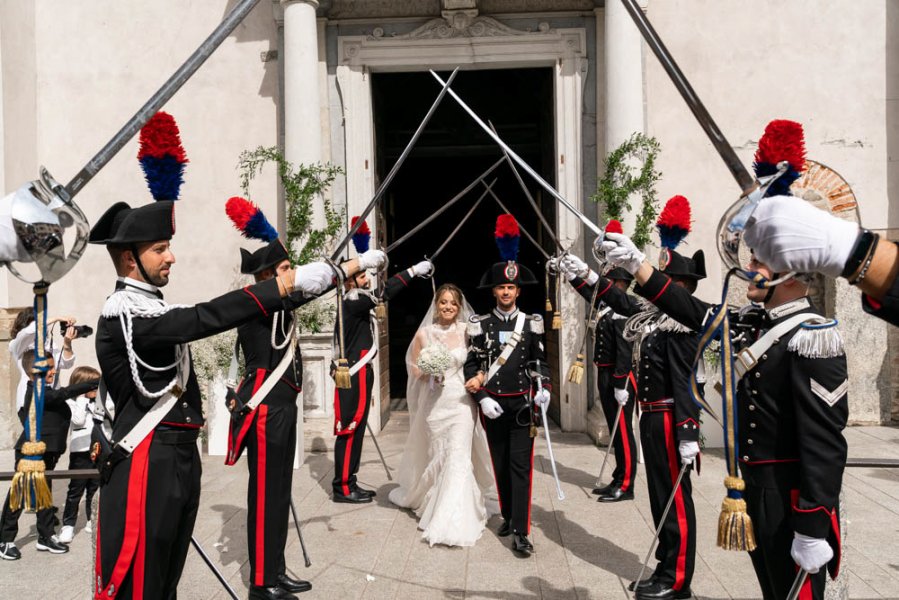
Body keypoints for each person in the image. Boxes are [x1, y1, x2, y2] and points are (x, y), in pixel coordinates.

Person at [88, 197, 340, 599]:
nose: (171, 257)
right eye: (159, 249)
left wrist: (336, 273)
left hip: (177, 458)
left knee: (165, 579)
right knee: (141, 584)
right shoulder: (125, 314)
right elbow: (203, 318)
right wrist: (286, 283)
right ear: (128, 258)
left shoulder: (149, 308)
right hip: (147, 459)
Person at [563, 196, 702, 600]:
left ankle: (677, 580)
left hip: (672, 418)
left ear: (681, 289)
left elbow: (687, 380)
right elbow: (619, 300)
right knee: (661, 499)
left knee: (675, 503)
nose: (654, 287)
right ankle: (665, 567)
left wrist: (689, 430)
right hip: (652, 416)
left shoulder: (682, 323)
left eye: (665, 282)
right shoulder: (656, 317)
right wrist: (585, 277)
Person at [463, 215, 549, 556]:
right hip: (494, 404)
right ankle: (509, 515)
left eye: (511, 288)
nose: (506, 292)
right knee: (499, 464)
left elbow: (539, 360)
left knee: (520, 466)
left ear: (518, 290)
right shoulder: (479, 325)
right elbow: (472, 364)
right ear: (494, 290)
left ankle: (522, 531)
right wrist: (482, 397)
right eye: (501, 287)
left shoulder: (532, 323)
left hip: (522, 405)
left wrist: (545, 389)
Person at [388, 283, 499, 546]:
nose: (448, 307)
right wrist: (429, 368)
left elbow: (482, 359)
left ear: (459, 307)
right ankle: (432, 499)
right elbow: (414, 370)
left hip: (461, 402)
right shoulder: (424, 335)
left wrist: (481, 378)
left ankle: (455, 517)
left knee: (458, 454)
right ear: (436, 305)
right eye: (443, 302)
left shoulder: (467, 331)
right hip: (435, 404)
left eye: (453, 303)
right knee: (438, 453)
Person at [331, 217, 431, 504]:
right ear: (351, 279)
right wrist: (413, 271)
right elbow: (385, 294)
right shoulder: (352, 300)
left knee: (358, 427)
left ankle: (349, 480)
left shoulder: (354, 298)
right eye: (363, 276)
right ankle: (343, 487)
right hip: (354, 373)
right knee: (350, 428)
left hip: (359, 372)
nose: (368, 280)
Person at [560, 230, 638, 502]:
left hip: (621, 379)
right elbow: (589, 294)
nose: (606, 287)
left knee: (624, 431)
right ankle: (619, 476)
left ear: (621, 284)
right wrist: (571, 275)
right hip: (605, 373)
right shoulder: (608, 305)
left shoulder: (627, 309)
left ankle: (627, 484)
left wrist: (620, 382)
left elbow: (626, 351)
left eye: (611, 282)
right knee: (617, 432)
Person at [0, 351, 99, 560]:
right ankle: (5, 540)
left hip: (47, 454)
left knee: (44, 496)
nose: (53, 371)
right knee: (19, 496)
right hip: (30, 454)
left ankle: (45, 536)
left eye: (53, 367)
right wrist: (93, 382)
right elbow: (62, 394)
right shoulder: (36, 391)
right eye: (48, 368)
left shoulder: (44, 390)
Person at [744, 195, 899, 325]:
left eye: (758, 262)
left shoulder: (811, 339)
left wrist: (845, 244)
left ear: (788, 275)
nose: (748, 267)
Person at [58, 365, 103, 544]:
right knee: (76, 490)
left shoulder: (98, 401)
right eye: (92, 385)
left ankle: (92, 519)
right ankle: (68, 524)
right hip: (80, 452)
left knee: (94, 486)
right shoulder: (71, 403)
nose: (95, 389)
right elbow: (78, 420)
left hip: (97, 450)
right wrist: (82, 399)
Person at [9, 310, 79, 413]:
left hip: (52, 395)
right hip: (30, 397)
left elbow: (66, 363)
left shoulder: (47, 344)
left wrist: (67, 343)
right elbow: (28, 331)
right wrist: (57, 318)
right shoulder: (17, 345)